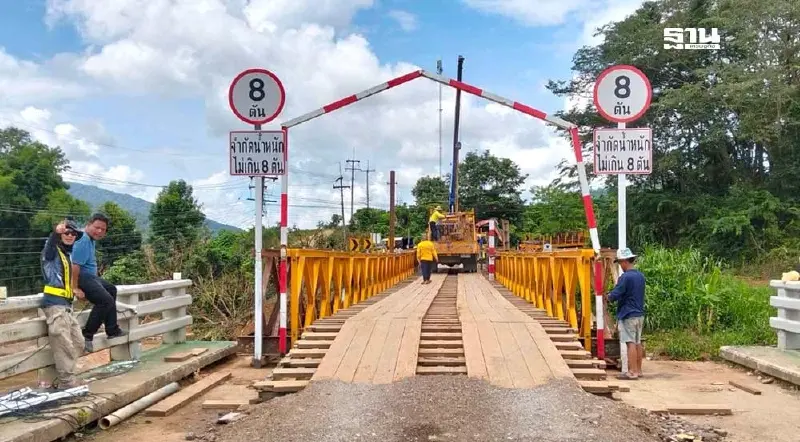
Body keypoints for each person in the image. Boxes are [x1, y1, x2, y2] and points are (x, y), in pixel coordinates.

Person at [41, 218, 86, 389]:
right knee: (64, 344)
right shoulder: (52, 252)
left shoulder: (67, 254)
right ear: (60, 235)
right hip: (55, 306)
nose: (70, 235)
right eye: (67, 232)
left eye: (73, 233)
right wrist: (55, 233)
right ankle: (67, 382)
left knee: (79, 342)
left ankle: (66, 377)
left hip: (67, 306)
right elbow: (49, 248)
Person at [71, 213, 126, 353]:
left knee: (111, 289)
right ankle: (87, 335)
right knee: (105, 301)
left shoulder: (90, 239)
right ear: (88, 224)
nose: (100, 231)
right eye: (97, 227)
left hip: (90, 277)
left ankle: (112, 329)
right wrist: (75, 288)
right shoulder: (83, 240)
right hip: (81, 277)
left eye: (103, 229)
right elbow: (75, 266)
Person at [607, 248, 646, 380]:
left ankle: (632, 372)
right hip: (639, 314)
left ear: (624, 261)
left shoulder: (625, 277)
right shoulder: (640, 276)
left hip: (628, 314)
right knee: (637, 342)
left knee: (630, 343)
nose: (620, 266)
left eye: (620, 263)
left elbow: (616, 294)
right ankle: (639, 370)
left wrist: (608, 297)